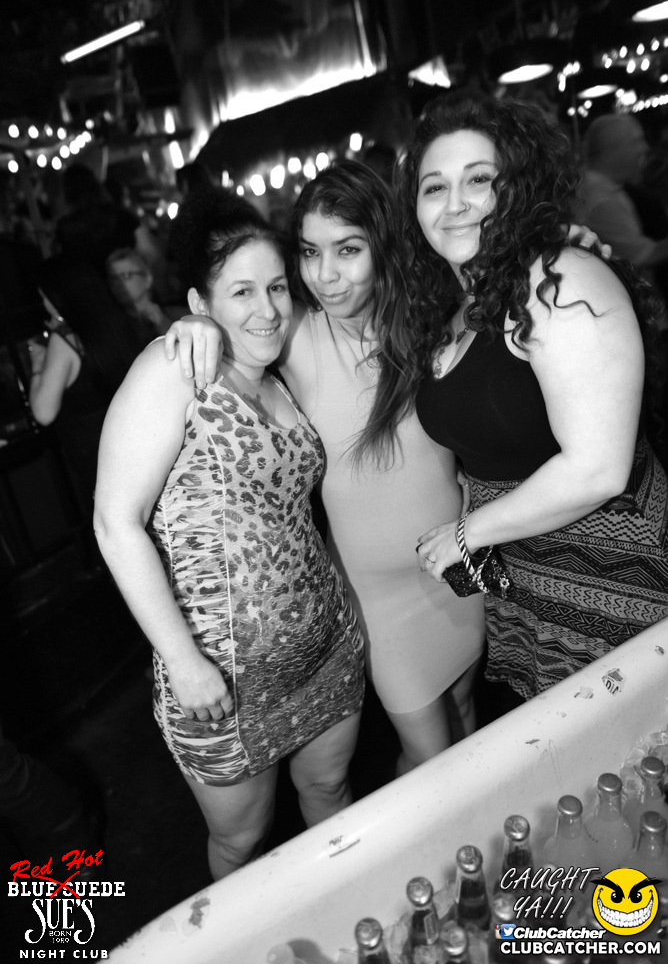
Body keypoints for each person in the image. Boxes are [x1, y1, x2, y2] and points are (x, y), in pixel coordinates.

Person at [164, 162, 487, 777]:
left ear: (382, 246)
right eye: (310, 252)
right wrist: (195, 322)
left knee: (467, 711)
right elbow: (236, 319)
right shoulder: (293, 335)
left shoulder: (429, 320)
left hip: (458, 565)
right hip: (378, 599)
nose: (325, 274)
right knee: (435, 762)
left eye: (348, 249)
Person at [357, 91, 668, 701]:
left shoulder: (559, 280)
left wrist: (466, 533)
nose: (455, 204)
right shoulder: (458, 306)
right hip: (528, 580)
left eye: (479, 179)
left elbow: (599, 468)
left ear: (518, 187)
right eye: (434, 187)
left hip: (616, 576)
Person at [93, 191, 364, 880]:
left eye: (276, 287)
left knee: (330, 792)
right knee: (242, 844)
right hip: (223, 683)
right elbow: (115, 523)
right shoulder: (174, 369)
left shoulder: (279, 374)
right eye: (241, 291)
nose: (267, 308)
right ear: (199, 302)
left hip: (327, 649)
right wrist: (183, 662)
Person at [29, 259, 144, 521]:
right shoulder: (117, 323)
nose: (43, 303)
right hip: (135, 445)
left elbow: (43, 413)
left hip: (97, 458)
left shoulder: (65, 340)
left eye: (44, 296)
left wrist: (37, 364)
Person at [574, 114, 668, 272]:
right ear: (613, 149)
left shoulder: (594, 185)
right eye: (636, 141)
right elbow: (644, 256)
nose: (645, 148)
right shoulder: (602, 199)